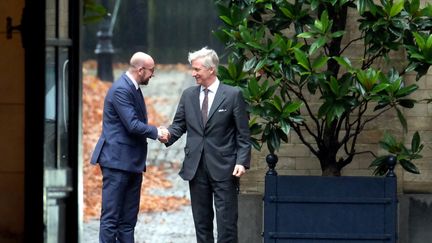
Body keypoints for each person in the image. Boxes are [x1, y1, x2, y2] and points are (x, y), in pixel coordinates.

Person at [164, 47, 251, 243]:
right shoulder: (188, 95)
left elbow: (243, 134)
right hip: (196, 169)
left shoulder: (232, 95)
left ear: (211, 69)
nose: (193, 74)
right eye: (193, 69)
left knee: (227, 225)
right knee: (202, 224)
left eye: (197, 70)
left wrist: (241, 162)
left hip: (225, 169)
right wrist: (166, 135)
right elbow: (179, 125)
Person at [90, 52, 169, 243]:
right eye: (152, 71)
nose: (153, 75)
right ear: (140, 70)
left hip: (131, 163)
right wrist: (157, 132)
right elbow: (132, 125)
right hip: (117, 163)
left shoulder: (133, 88)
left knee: (128, 221)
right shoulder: (120, 90)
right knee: (111, 218)